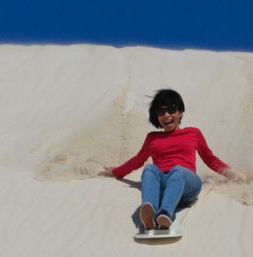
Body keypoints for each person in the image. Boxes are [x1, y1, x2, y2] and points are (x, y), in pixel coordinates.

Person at [101, 89, 240, 230]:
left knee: (177, 171)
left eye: (171, 110)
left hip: (188, 185)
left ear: (180, 113)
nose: (166, 115)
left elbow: (211, 160)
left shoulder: (193, 133)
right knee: (149, 169)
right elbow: (137, 160)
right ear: (157, 117)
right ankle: (150, 210)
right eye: (161, 112)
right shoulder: (152, 138)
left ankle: (165, 213)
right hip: (164, 188)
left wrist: (235, 175)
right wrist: (115, 172)